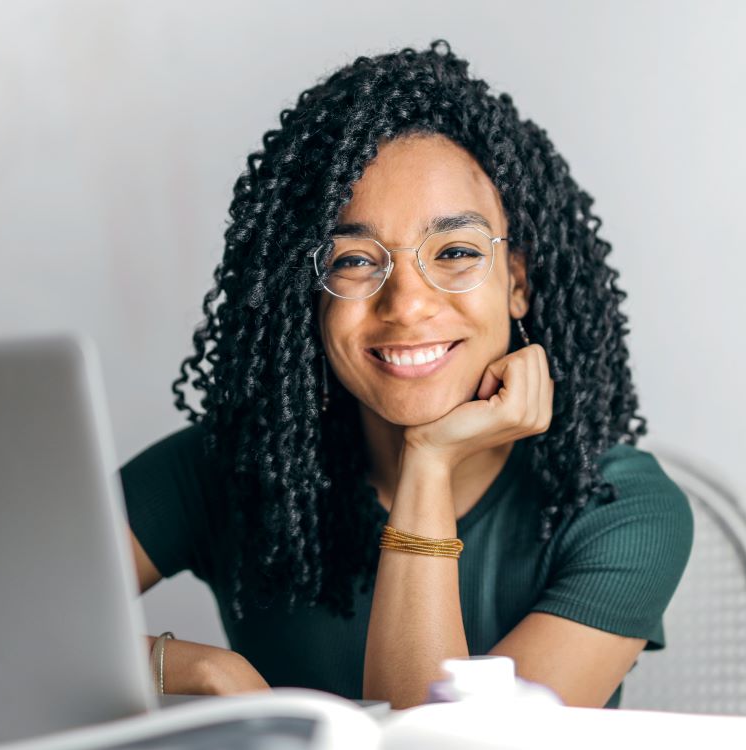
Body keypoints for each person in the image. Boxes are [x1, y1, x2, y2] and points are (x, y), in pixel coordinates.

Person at [121, 41, 693, 710]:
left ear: (518, 281)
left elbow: (442, 744)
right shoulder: (231, 466)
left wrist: (429, 461)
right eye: (355, 261)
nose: (408, 304)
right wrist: (200, 670)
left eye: (454, 251)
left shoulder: (619, 508)